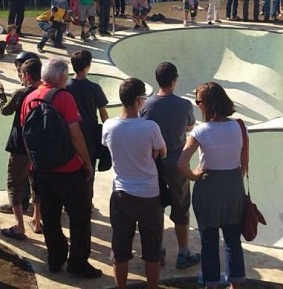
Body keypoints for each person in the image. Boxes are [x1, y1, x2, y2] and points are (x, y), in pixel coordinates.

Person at [19, 58, 101, 278]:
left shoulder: (30, 98)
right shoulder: (64, 97)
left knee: (51, 216)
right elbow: (75, 134)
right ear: (63, 77)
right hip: (69, 169)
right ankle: (78, 262)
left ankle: (55, 259)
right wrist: (86, 162)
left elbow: (25, 133)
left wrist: (35, 164)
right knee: (79, 217)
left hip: (43, 170)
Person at [177, 82, 247, 289]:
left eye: (199, 101)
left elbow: (181, 163)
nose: (197, 105)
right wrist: (233, 178)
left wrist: (194, 175)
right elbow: (244, 164)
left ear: (207, 104)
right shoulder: (239, 127)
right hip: (233, 186)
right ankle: (236, 283)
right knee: (233, 239)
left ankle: (212, 283)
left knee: (209, 240)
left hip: (208, 188)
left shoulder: (201, 131)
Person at [102, 77, 166, 289]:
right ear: (139, 100)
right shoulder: (150, 127)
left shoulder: (109, 126)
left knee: (120, 248)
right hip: (149, 193)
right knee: (152, 249)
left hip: (121, 193)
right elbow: (162, 151)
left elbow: (107, 145)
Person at [140, 62, 201, 269]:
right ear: (174, 80)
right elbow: (190, 126)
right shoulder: (184, 105)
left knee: (154, 206)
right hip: (177, 164)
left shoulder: (146, 105)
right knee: (181, 207)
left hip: (153, 164)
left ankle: (156, 252)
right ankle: (183, 253)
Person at [0, 54, 43, 240]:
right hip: (39, 146)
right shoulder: (45, 91)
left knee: (14, 182)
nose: (20, 77)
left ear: (27, 75)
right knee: (35, 181)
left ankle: (20, 226)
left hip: (20, 145)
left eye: (21, 74)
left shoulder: (22, 93)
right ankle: (37, 221)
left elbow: (5, 110)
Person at [67, 50, 109, 204]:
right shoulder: (94, 88)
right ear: (88, 66)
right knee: (89, 167)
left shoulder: (66, 87)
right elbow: (103, 112)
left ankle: (70, 200)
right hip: (89, 134)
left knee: (71, 167)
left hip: (70, 133)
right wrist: (108, 130)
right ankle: (87, 201)